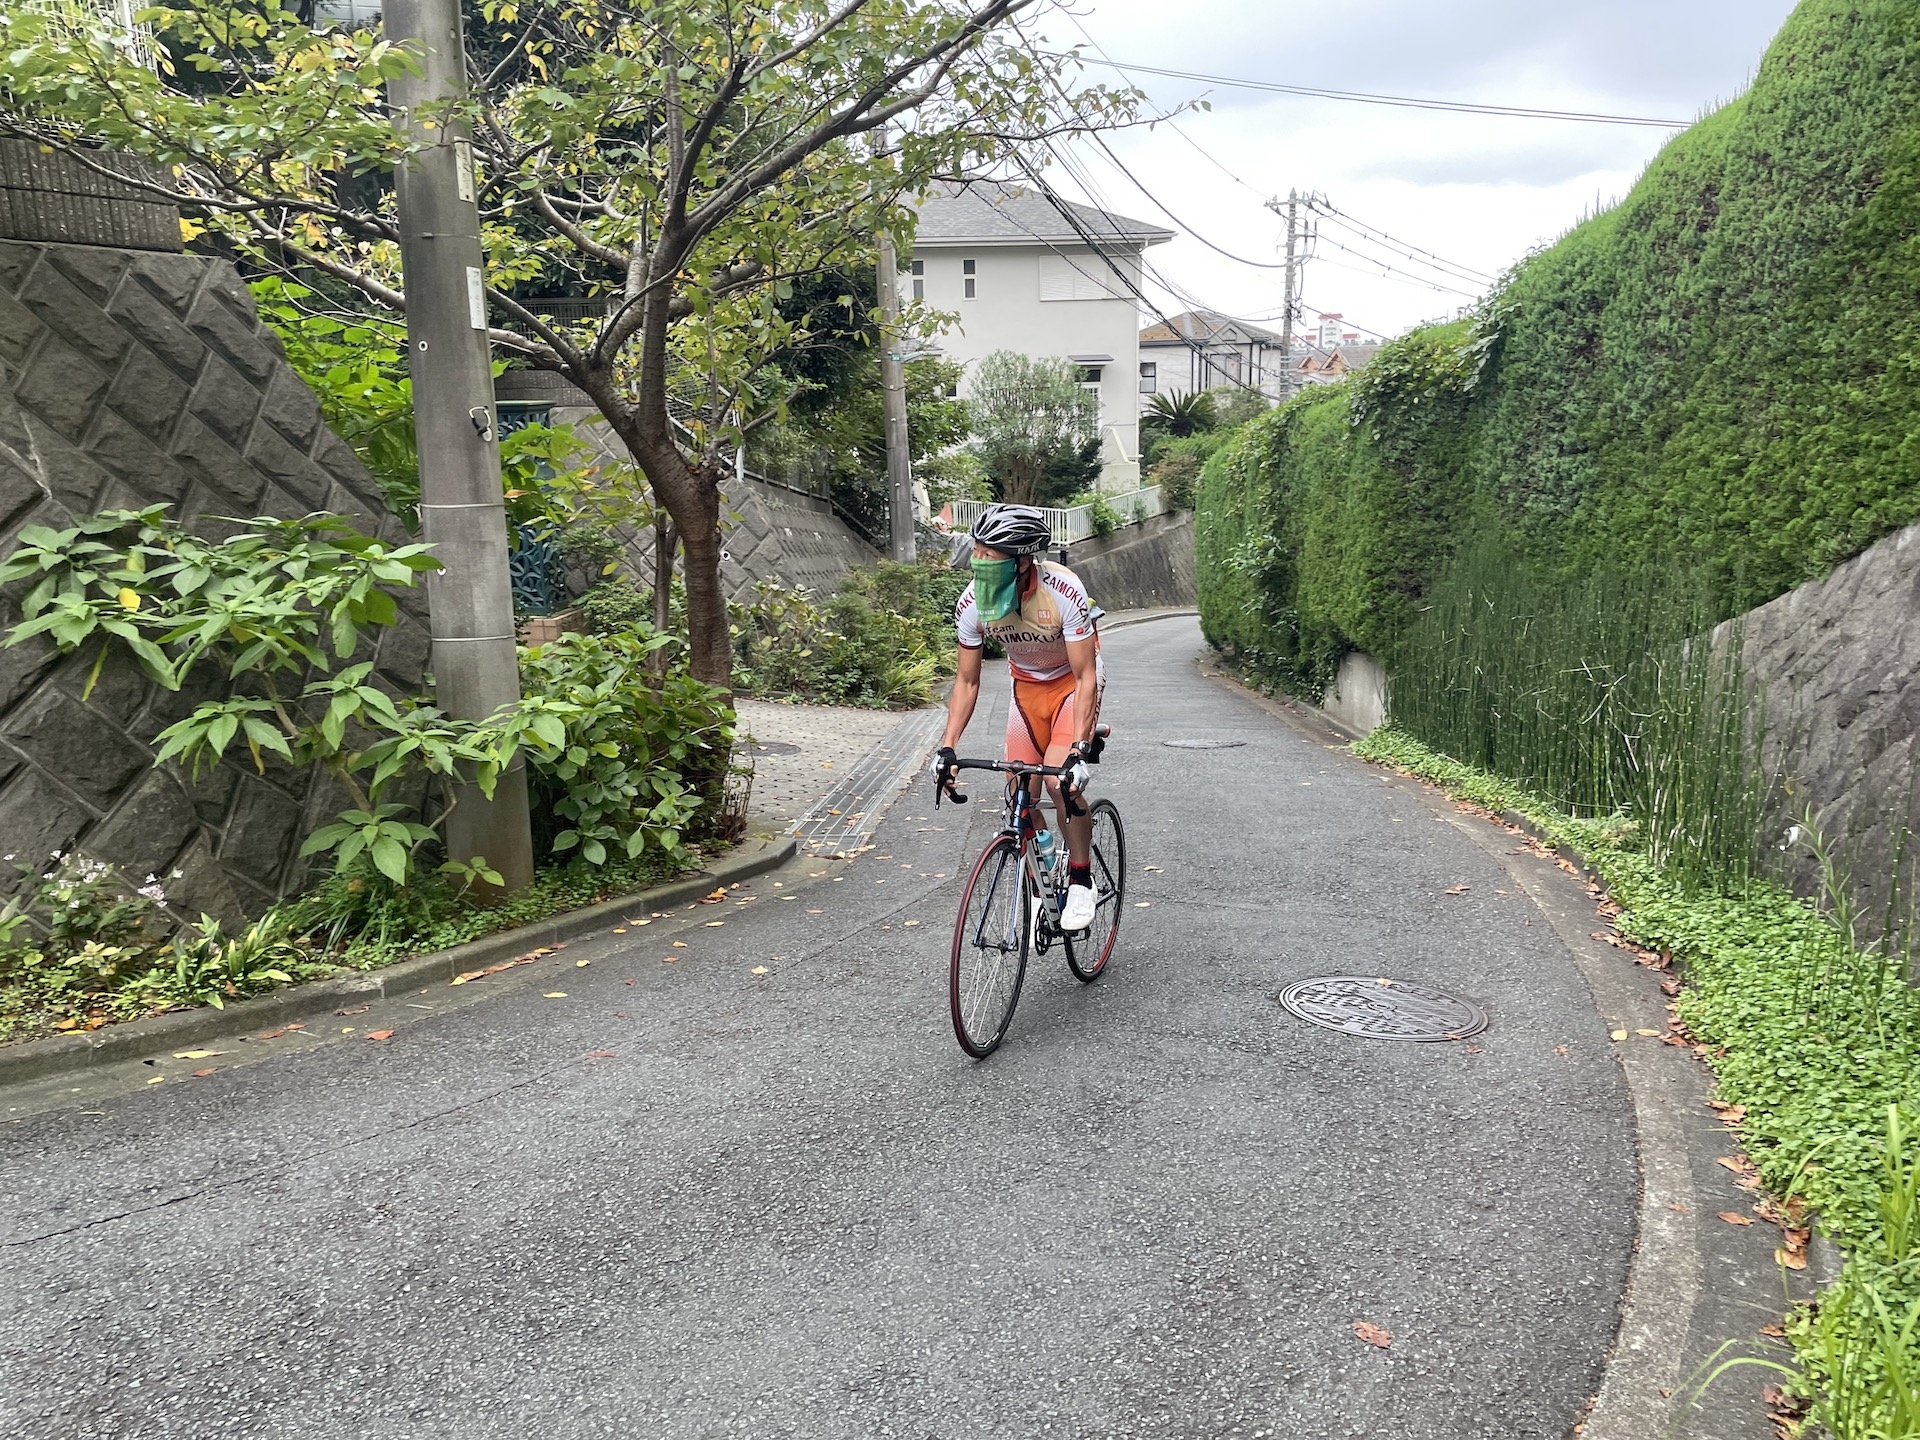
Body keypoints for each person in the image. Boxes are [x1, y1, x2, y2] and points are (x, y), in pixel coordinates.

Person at [930, 503, 1104, 931]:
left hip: (1070, 684)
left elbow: (1085, 676)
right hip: (1026, 689)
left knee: (1058, 782)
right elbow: (967, 681)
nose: (979, 562)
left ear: (1023, 561)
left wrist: (1079, 749)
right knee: (1017, 790)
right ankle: (1042, 871)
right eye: (977, 552)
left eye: (990, 555)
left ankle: (1081, 879)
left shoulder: (1062, 590)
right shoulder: (972, 603)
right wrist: (947, 747)